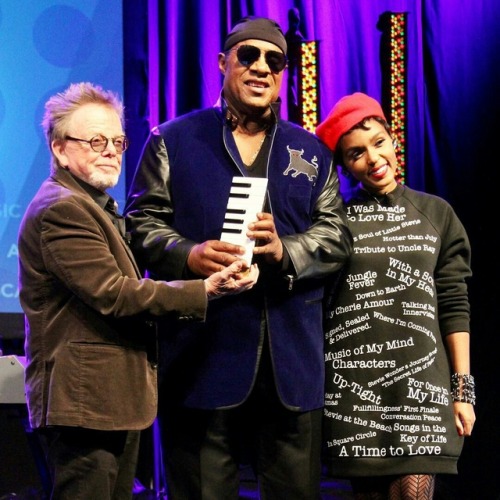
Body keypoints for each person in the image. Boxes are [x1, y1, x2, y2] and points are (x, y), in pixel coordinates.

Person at [124, 16, 352, 500]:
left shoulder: (310, 150)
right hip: (201, 357)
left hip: (291, 361)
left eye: (275, 61)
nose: (261, 68)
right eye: (248, 56)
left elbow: (335, 235)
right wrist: (190, 254)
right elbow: (141, 223)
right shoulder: (173, 139)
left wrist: (285, 249)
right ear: (222, 63)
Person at [17, 81, 259, 500]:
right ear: (59, 149)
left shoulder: (93, 206)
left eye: (116, 140)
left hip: (108, 403)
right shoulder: (62, 209)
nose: (111, 150)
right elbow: (114, 293)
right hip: (84, 407)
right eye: (95, 140)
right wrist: (204, 290)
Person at [316, 92, 476, 499]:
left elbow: (455, 305)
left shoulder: (437, 214)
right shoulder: (334, 223)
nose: (372, 159)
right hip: (354, 392)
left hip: (422, 391)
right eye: (356, 153)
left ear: (392, 138)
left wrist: (463, 392)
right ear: (345, 166)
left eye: (378, 142)